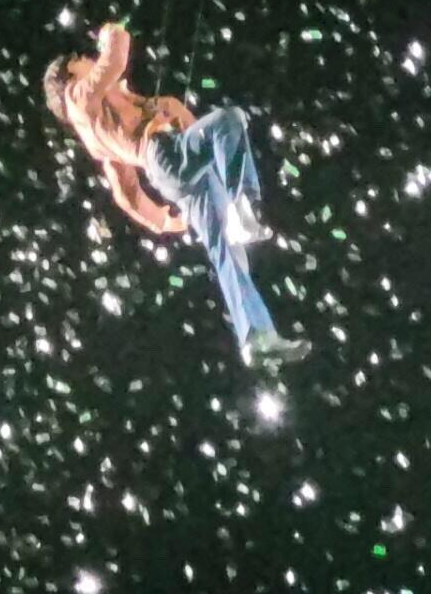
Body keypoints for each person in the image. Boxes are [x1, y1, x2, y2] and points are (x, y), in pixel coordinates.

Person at [43, 22, 310, 371]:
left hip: (172, 172)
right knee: (229, 120)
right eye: (79, 60)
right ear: (67, 75)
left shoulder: (100, 130)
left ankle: (256, 338)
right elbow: (115, 59)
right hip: (164, 156)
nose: (87, 60)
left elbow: (127, 192)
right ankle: (244, 205)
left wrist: (164, 220)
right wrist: (112, 34)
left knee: (227, 253)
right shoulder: (78, 95)